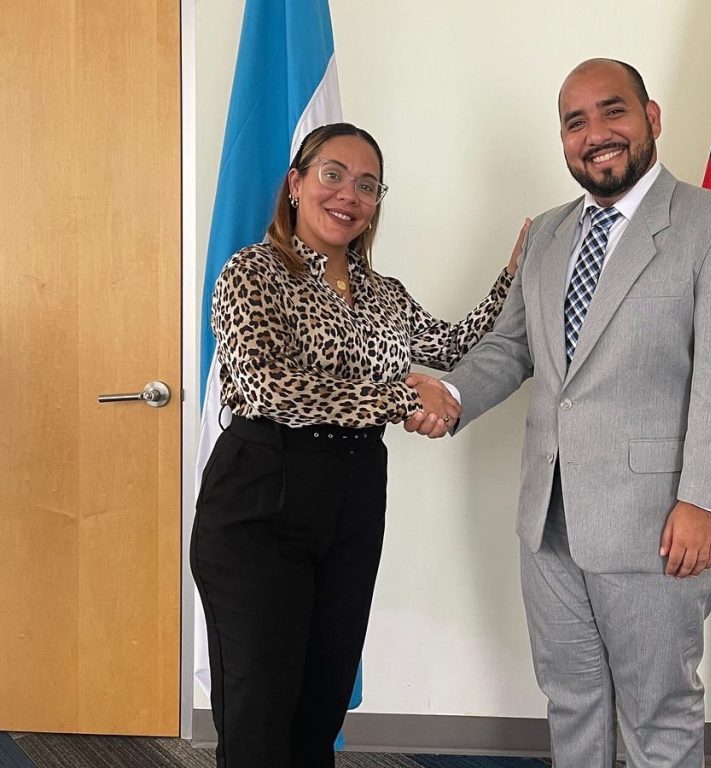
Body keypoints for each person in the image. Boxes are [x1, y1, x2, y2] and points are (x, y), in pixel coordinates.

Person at [406, 59, 711, 767]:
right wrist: (451, 397)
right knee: (571, 702)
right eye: (575, 122)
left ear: (651, 117)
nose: (595, 133)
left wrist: (705, 501)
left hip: (658, 522)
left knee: (658, 715)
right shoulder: (547, 233)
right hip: (546, 521)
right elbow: (513, 346)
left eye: (613, 111)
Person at [191, 122, 524, 768]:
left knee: (321, 705)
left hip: (353, 500)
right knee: (260, 713)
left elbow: (454, 346)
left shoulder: (382, 294)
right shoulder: (254, 272)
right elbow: (267, 386)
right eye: (333, 175)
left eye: (368, 185)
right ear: (296, 184)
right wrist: (399, 398)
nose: (349, 194)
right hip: (262, 498)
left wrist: (513, 276)